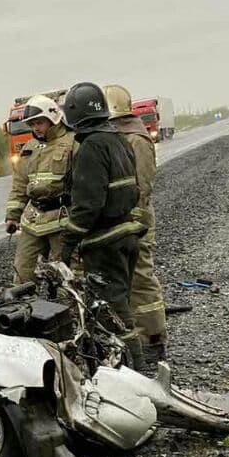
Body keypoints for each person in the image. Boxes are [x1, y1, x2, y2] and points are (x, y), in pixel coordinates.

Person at [58, 82, 147, 370]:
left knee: (112, 311)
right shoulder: (118, 138)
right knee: (119, 302)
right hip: (126, 235)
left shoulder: (91, 146)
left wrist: (66, 246)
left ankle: (136, 373)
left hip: (105, 242)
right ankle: (121, 367)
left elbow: (87, 206)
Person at [105, 83, 168, 368]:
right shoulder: (116, 137)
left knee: (141, 280)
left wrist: (131, 222)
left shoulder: (136, 139)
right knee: (122, 281)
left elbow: (142, 187)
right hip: (119, 220)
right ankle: (132, 340)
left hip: (136, 219)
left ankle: (153, 340)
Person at [4, 95, 77, 282]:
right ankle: (25, 309)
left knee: (65, 277)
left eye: (39, 123)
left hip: (62, 220)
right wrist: (13, 215)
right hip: (32, 221)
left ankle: (68, 311)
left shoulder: (73, 143)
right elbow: (20, 183)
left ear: (53, 118)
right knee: (21, 275)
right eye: (32, 124)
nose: (36, 128)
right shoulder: (30, 148)